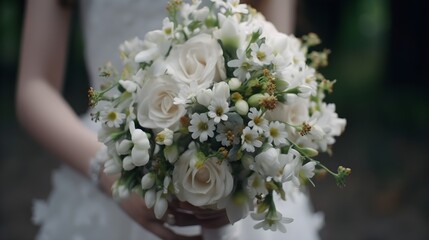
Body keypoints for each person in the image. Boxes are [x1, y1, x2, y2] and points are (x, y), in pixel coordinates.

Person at [16, 0, 323, 239]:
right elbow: (34, 85)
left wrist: (243, 183)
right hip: (110, 155)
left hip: (240, 162)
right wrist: (111, 177)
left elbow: (279, 70)